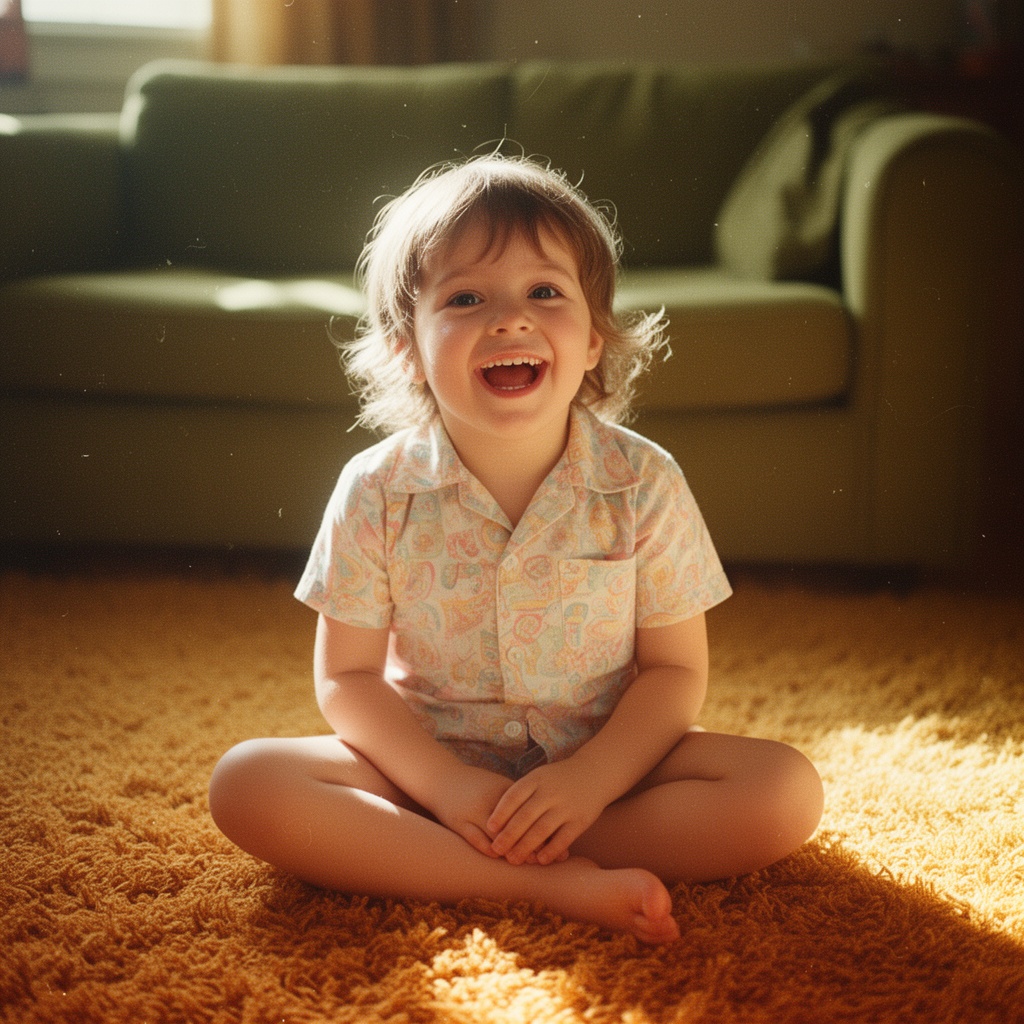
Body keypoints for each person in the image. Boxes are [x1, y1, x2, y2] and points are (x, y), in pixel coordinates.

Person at [209, 155, 823, 944]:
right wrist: (449, 788)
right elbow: (349, 678)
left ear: (594, 339)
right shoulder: (376, 488)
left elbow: (676, 674)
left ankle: (485, 855)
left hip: (603, 769)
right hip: (426, 775)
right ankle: (540, 883)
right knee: (248, 783)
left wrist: (588, 784)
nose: (510, 319)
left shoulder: (645, 481)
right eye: (465, 298)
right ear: (407, 349)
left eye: (545, 292)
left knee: (783, 791)